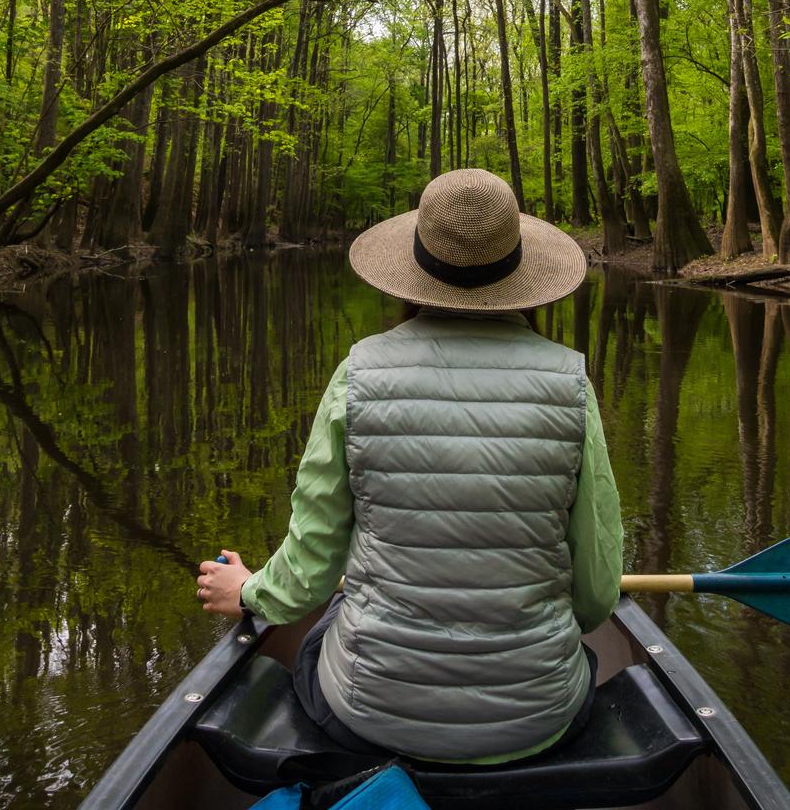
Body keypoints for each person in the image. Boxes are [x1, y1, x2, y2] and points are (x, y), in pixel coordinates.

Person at [196, 167, 623, 764]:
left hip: (371, 712)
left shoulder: (359, 375)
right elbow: (598, 593)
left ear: (412, 274)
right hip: (539, 715)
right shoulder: (571, 383)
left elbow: (311, 576)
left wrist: (249, 591)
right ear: (522, 275)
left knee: (323, 634)